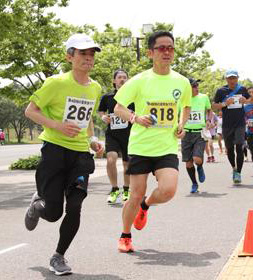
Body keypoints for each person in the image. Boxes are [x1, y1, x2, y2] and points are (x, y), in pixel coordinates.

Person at [24, 33, 104, 276]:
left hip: (80, 155)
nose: (88, 58)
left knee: (76, 205)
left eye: (91, 54)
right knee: (53, 213)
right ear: (70, 56)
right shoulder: (55, 83)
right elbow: (30, 111)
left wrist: (92, 139)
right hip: (55, 151)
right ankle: (39, 205)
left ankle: (58, 256)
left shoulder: (96, 87)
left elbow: (88, 118)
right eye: (82, 53)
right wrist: (57, 125)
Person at [113, 31, 191, 253]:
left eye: (170, 48)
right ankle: (125, 235)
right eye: (161, 48)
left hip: (166, 146)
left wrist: (181, 124)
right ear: (150, 53)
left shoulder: (182, 82)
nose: (167, 52)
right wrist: (136, 118)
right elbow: (118, 108)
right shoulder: (138, 81)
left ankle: (146, 206)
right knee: (135, 194)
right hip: (141, 146)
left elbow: (185, 107)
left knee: (168, 191)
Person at [98, 69, 134, 203]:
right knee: (111, 159)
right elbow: (101, 111)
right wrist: (103, 118)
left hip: (129, 134)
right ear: (114, 81)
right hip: (112, 134)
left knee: (127, 163)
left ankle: (126, 189)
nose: (122, 79)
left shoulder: (133, 97)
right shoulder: (107, 97)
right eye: (119, 77)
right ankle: (114, 189)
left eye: (125, 77)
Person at [213, 69, 250, 184]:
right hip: (227, 124)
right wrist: (225, 104)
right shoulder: (221, 91)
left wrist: (246, 100)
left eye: (234, 78)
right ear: (226, 79)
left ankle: (238, 172)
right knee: (229, 149)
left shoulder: (242, 89)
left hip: (240, 123)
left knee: (239, 147)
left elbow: (250, 99)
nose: (232, 80)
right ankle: (234, 168)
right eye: (230, 78)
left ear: (237, 78)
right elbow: (214, 105)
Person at [181, 78, 211, 193]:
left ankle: (200, 166)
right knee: (188, 163)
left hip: (199, 132)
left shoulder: (203, 97)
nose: (197, 88)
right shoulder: (181, 100)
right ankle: (194, 183)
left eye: (197, 86)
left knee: (197, 159)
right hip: (186, 133)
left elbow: (209, 110)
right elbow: (178, 115)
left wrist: (208, 119)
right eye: (194, 87)